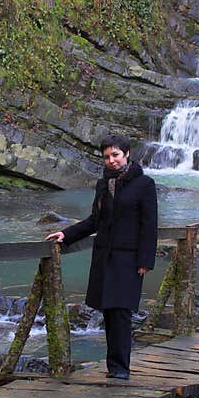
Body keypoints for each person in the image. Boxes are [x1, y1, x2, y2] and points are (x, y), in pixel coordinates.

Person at [45, 135, 158, 380]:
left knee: (121, 311)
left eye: (115, 155)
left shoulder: (145, 184)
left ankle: (120, 369)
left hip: (129, 257)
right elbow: (95, 220)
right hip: (104, 255)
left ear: (127, 154)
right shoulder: (103, 185)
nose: (111, 161)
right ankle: (113, 368)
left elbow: (149, 225)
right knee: (108, 310)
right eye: (107, 156)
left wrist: (145, 261)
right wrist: (66, 233)